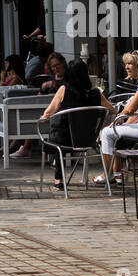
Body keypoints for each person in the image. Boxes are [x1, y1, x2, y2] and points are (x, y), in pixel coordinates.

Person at [42, 58, 115, 190]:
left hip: (64, 141)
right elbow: (112, 110)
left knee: (57, 132)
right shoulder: (96, 94)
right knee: (60, 131)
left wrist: (44, 118)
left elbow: (48, 113)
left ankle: (59, 179)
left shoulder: (64, 90)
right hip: (88, 140)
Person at [95, 51, 138, 186]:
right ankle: (117, 175)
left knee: (107, 132)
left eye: (130, 64)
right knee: (115, 132)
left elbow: (130, 109)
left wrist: (117, 120)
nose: (126, 67)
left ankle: (107, 174)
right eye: (126, 64)